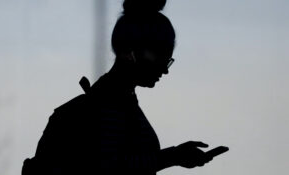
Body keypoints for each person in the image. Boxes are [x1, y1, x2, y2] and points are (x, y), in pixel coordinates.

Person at [22, 0, 228, 174]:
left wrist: (172, 157)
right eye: (160, 58)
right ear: (131, 52)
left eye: (168, 60)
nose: (164, 70)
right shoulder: (104, 110)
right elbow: (107, 167)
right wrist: (170, 157)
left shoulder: (106, 107)